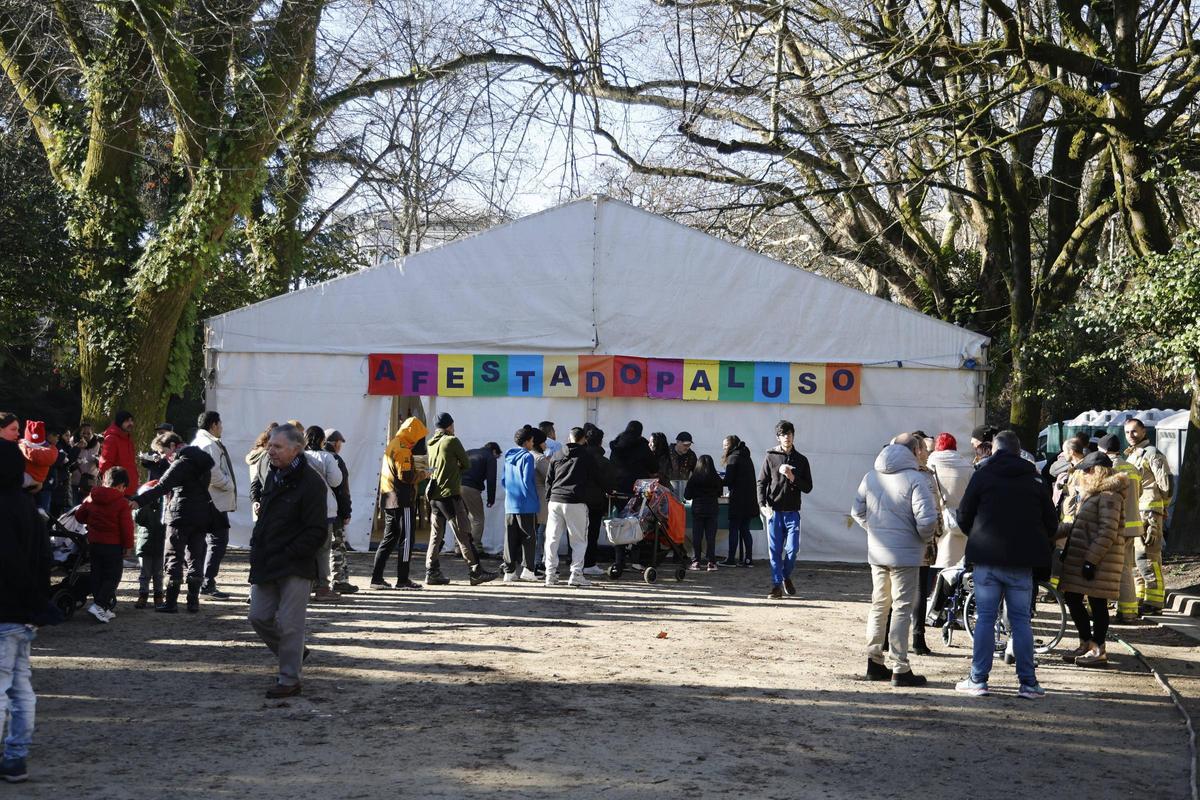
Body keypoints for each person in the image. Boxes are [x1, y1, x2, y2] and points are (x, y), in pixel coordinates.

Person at [954, 430, 1057, 700]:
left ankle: (978, 680)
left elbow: (963, 514)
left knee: (985, 619)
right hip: (1022, 563)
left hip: (987, 559)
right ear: (1018, 450)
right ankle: (1028, 683)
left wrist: (976, 535)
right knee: (1021, 621)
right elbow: (1052, 523)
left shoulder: (982, 475)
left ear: (995, 449)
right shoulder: (1035, 479)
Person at [247, 424, 329, 699]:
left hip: (296, 564)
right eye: (270, 445)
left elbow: (317, 531)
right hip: (267, 560)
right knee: (258, 616)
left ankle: (289, 679)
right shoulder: (273, 475)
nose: (270, 450)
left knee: (293, 625)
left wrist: (291, 552)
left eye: (277, 446)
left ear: (296, 449)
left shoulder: (312, 483)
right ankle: (294, 652)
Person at [851, 434, 938, 687]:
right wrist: (922, 539)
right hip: (906, 554)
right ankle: (900, 666)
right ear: (914, 450)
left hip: (878, 553)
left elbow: (857, 512)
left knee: (879, 605)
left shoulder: (870, 476)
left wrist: (876, 531)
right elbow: (928, 520)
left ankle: (874, 661)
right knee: (901, 607)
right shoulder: (916, 479)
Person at [0, 420, 51, 784]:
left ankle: (13, 755)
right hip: (25, 611)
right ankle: (16, 756)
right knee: (21, 687)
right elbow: (42, 560)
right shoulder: (31, 510)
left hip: (4, 609)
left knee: (5, 687)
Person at [1057, 451, 1127, 666]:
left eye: (1086, 471)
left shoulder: (1109, 496)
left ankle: (1098, 648)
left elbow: (1108, 531)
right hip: (1083, 557)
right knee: (1073, 598)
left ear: (1096, 471)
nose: (1083, 475)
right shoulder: (1095, 495)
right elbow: (1083, 525)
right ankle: (1086, 642)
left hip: (1099, 560)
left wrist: (1091, 560)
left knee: (1098, 603)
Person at [132, 444, 216, 613]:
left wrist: (138, 500)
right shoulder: (205, 466)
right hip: (201, 515)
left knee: (174, 556)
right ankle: (193, 601)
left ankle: (171, 602)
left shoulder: (181, 464)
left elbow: (162, 487)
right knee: (196, 556)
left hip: (180, 514)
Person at [425, 413, 497, 586]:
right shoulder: (452, 441)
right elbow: (466, 464)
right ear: (450, 425)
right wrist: (455, 466)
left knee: (436, 535)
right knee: (464, 534)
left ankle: (431, 571)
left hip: (434, 494)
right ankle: (475, 571)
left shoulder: (431, 443)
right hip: (449, 494)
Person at [757, 420, 813, 599]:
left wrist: (792, 477)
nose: (787, 437)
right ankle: (776, 585)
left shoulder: (801, 460)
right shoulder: (771, 456)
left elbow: (808, 487)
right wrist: (762, 505)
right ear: (778, 437)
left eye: (789, 434)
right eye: (783, 434)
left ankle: (786, 576)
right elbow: (761, 482)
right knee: (774, 551)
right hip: (774, 511)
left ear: (793, 436)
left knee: (792, 548)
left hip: (792, 512)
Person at [373, 417, 428, 590]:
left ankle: (376, 578)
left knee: (389, 539)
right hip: (402, 499)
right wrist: (424, 475)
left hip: (387, 496)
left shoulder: (393, 443)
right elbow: (406, 477)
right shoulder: (403, 450)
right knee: (407, 539)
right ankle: (403, 579)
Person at [1124, 418, 1172, 614]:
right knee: (1135, 559)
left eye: (1134, 431)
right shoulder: (1132, 456)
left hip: (1149, 513)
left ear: (1144, 431)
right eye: (1127, 432)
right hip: (1136, 513)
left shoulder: (1152, 454)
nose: (1130, 436)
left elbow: (1166, 487)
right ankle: (1141, 596)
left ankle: (1154, 602)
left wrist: (1161, 508)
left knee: (1148, 557)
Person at [74, 467, 135, 623]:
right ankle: (99, 605)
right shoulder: (122, 503)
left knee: (97, 574)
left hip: (94, 543)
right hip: (113, 545)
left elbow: (80, 516)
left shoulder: (91, 497)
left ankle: (101, 606)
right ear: (121, 485)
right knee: (113, 576)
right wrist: (128, 546)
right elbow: (127, 527)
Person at [133, 431, 183, 608]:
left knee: (158, 572)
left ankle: (158, 595)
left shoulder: (166, 504)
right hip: (147, 544)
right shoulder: (147, 505)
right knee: (145, 572)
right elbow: (138, 518)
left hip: (158, 544)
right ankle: (143, 594)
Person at [192, 411, 238, 600]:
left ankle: (201, 581)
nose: (222, 427)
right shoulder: (209, 444)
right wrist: (229, 484)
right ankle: (207, 582)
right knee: (218, 540)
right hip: (214, 501)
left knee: (204, 541)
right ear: (213, 425)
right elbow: (213, 472)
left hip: (207, 499)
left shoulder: (201, 442)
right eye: (220, 423)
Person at [1099, 434, 1144, 623]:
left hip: (1116, 525)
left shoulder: (1108, 469)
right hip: (1132, 526)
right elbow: (1139, 493)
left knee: (1110, 567)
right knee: (1126, 566)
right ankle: (1128, 610)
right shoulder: (1131, 467)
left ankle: (1122, 611)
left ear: (1103, 450)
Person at [543, 427, 596, 587]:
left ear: (569, 437)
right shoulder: (587, 456)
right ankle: (576, 574)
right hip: (576, 501)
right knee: (578, 540)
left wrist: (549, 497)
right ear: (584, 439)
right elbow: (594, 478)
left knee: (552, 539)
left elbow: (549, 479)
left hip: (555, 500)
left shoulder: (557, 454)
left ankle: (550, 575)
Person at [303, 427, 345, 602]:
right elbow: (336, 480)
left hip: (302, 509)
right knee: (323, 549)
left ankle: (304, 585)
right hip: (324, 508)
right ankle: (322, 587)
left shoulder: (299, 456)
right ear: (322, 441)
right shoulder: (327, 457)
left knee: (305, 549)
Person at [501, 427, 541, 582]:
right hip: (526, 504)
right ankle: (528, 570)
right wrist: (534, 500)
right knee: (529, 537)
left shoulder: (508, 455)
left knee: (509, 538)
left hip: (510, 502)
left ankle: (509, 572)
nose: (533, 443)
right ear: (526, 442)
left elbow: (504, 480)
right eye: (531, 441)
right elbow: (527, 481)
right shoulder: (528, 457)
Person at [322, 429, 357, 594]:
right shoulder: (335, 460)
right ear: (336, 443)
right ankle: (339, 580)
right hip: (334, 510)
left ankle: (319, 582)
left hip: (315, 510)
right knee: (337, 546)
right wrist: (347, 512)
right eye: (340, 443)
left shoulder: (313, 457)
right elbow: (343, 490)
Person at [581, 425, 616, 576]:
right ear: (601, 442)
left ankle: (576, 562)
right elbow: (609, 484)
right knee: (592, 533)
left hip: (577, 501)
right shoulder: (603, 462)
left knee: (577, 534)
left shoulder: (578, 458)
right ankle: (589, 563)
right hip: (595, 502)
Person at [720, 435, 757, 567]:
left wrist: (717, 479)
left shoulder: (733, 458)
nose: (724, 448)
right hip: (750, 500)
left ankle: (731, 559)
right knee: (745, 530)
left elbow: (728, 480)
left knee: (734, 529)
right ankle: (748, 559)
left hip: (738, 500)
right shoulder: (747, 457)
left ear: (731, 445)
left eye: (725, 445)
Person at [461, 441, 501, 557]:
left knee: (462, 518)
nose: (496, 459)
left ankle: (459, 547)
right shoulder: (490, 456)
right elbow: (491, 479)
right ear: (494, 451)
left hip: (457, 485)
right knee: (477, 518)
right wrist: (491, 498)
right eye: (497, 456)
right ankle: (474, 548)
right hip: (471, 488)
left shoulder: (469, 452)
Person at [686, 454, 723, 570]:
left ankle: (696, 561)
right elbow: (720, 493)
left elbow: (687, 495)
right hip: (712, 509)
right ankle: (711, 562)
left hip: (698, 509)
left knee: (697, 536)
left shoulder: (694, 478)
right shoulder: (716, 478)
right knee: (710, 537)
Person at [18, 421, 57, 514]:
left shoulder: (23, 448)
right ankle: (39, 508)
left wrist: (22, 446)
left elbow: (31, 454)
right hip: (39, 480)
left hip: (25, 479)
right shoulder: (51, 452)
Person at [98, 410, 140, 497]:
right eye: (127, 421)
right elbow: (105, 464)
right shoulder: (111, 439)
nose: (130, 423)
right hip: (117, 488)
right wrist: (111, 485)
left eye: (131, 420)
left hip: (130, 488)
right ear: (120, 422)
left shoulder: (128, 439)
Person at [609, 421, 655, 495]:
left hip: (618, 486)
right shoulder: (642, 445)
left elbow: (611, 464)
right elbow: (654, 467)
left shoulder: (616, 445)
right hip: (639, 487)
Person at [246, 422, 278, 520]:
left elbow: (255, 484)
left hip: (261, 506)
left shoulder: (261, 457)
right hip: (272, 510)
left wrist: (255, 501)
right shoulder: (265, 457)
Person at [70, 422, 101, 505]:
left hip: (89, 481)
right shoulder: (73, 441)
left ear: (92, 434)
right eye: (83, 433)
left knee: (86, 506)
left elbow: (98, 460)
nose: (86, 436)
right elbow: (70, 458)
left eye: (89, 434)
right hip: (75, 480)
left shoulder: (96, 444)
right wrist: (78, 447)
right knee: (74, 505)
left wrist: (97, 461)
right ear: (79, 433)